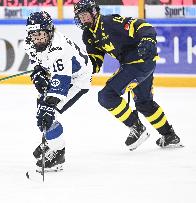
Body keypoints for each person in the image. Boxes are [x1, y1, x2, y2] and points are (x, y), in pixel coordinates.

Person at [73, 0, 183, 150]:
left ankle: (137, 127)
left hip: (139, 62)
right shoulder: (88, 35)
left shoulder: (109, 22)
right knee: (144, 103)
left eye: (85, 14)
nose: (83, 18)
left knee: (107, 96)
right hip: (139, 65)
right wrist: (78, 68)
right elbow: (95, 63)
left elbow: (142, 25)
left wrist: (148, 39)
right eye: (80, 16)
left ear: (94, 12)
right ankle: (170, 136)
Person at [24, 11, 93, 171]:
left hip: (77, 80)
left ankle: (58, 153)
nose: (37, 38)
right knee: (42, 108)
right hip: (61, 74)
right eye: (34, 35)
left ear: (49, 31)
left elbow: (61, 81)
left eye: (40, 34)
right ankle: (51, 141)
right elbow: (38, 62)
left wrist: (49, 103)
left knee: (46, 113)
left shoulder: (59, 48)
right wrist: (38, 72)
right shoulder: (30, 43)